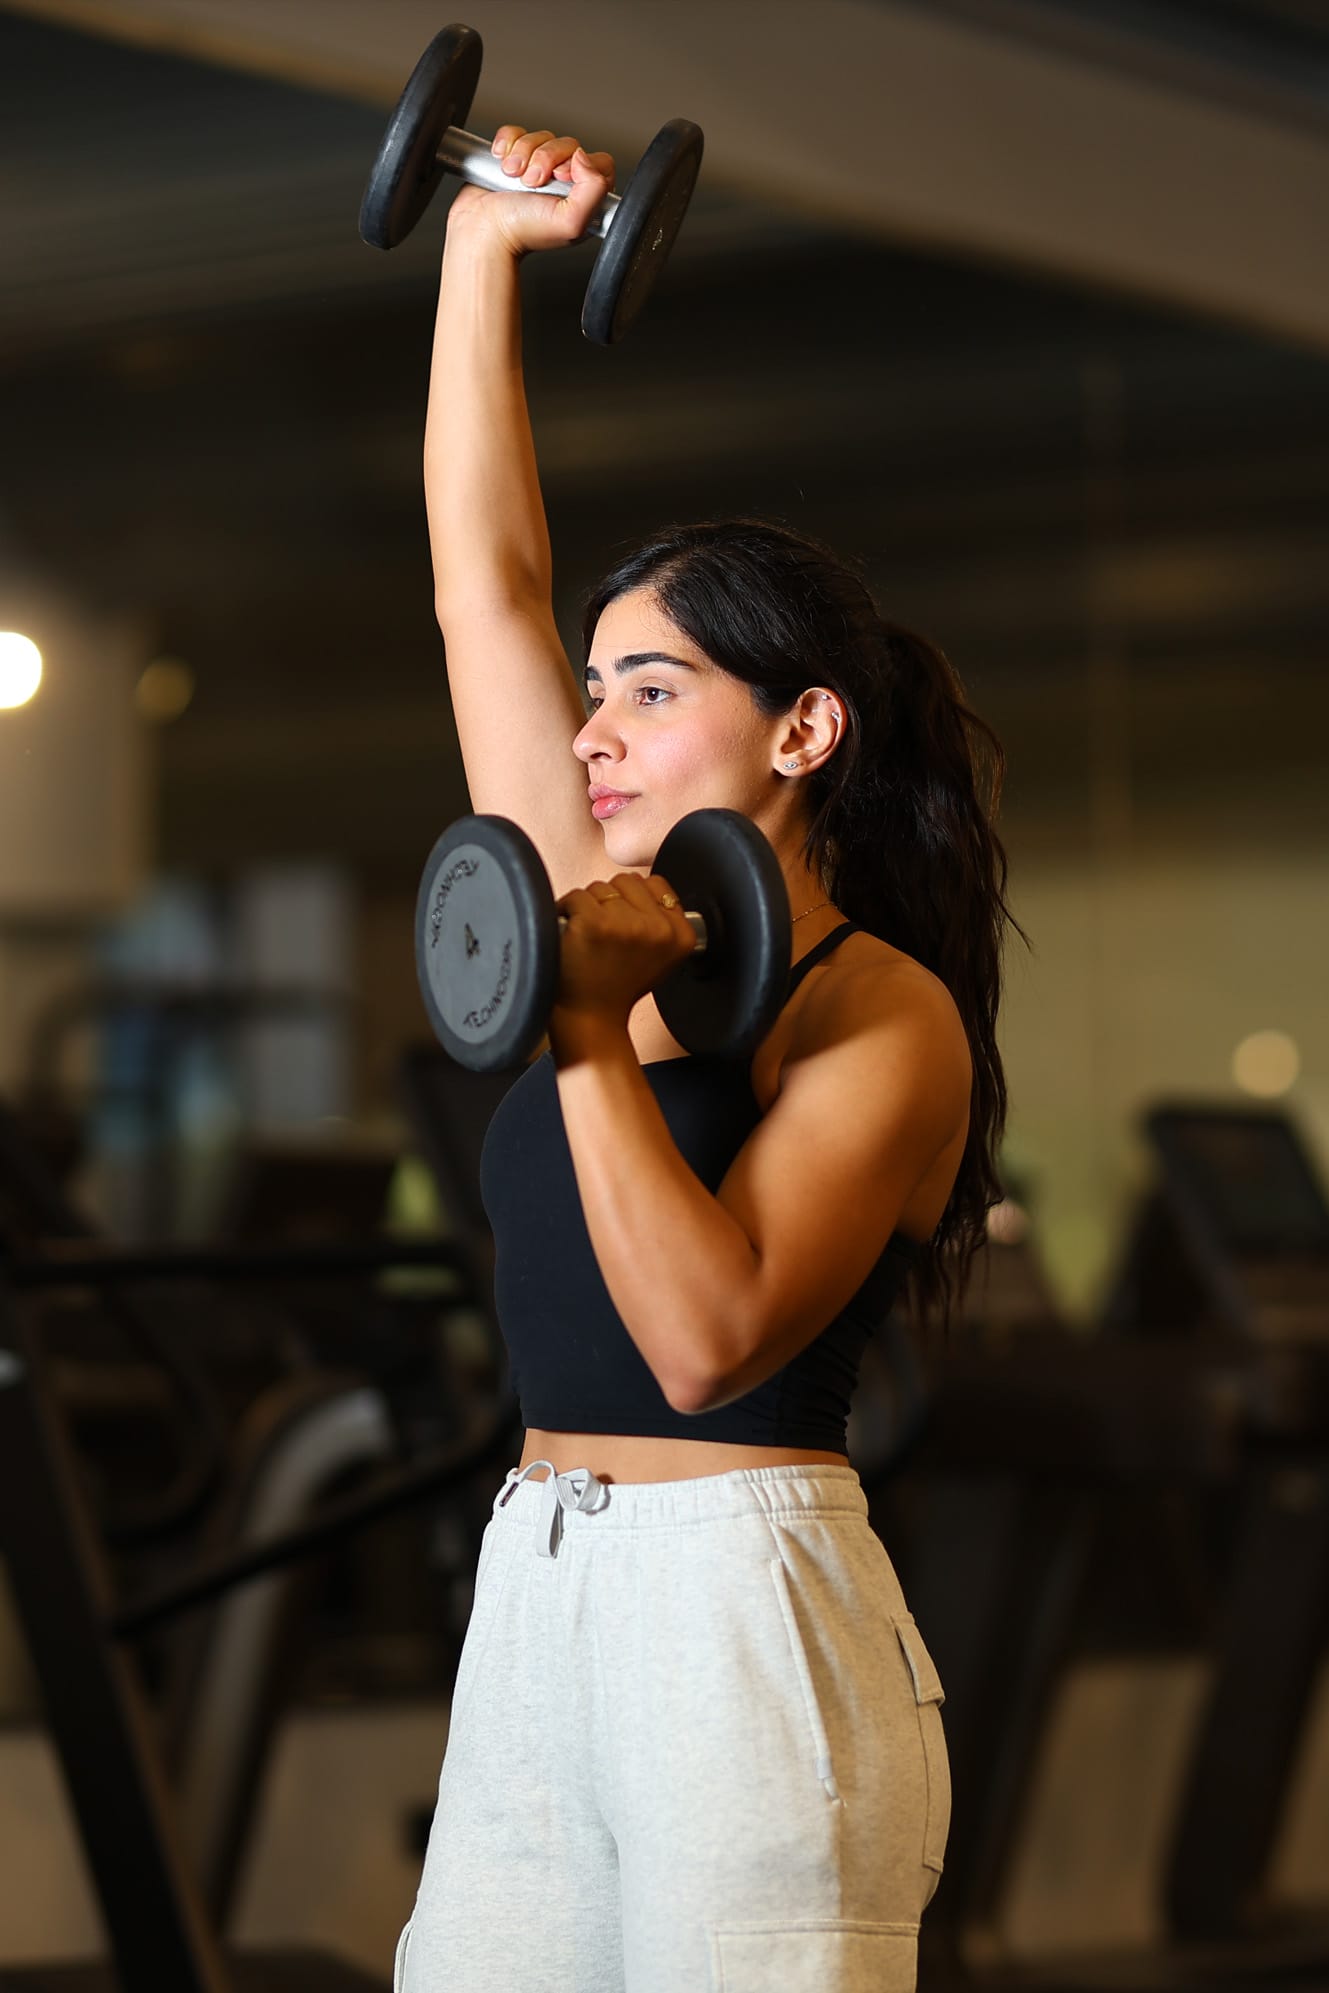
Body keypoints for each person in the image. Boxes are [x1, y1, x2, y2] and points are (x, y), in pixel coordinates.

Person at [396, 127, 1015, 1993]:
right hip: (538, 1585)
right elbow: (479, 586)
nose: (591, 727)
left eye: (650, 688)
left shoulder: (876, 1012)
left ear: (802, 727)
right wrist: (482, 253)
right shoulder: (604, 896)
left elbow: (704, 1336)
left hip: (742, 1613)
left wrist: (585, 1030)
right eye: (595, 689)